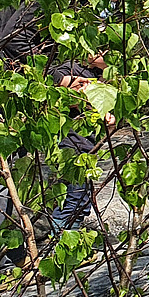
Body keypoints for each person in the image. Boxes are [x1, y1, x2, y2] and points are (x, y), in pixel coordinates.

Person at [45, 53, 113, 230]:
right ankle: (61, 238)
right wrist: (79, 90)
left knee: (83, 198)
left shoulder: (106, 77)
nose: (106, 56)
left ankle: (71, 236)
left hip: (88, 147)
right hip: (71, 145)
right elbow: (57, 86)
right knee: (72, 196)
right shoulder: (72, 69)